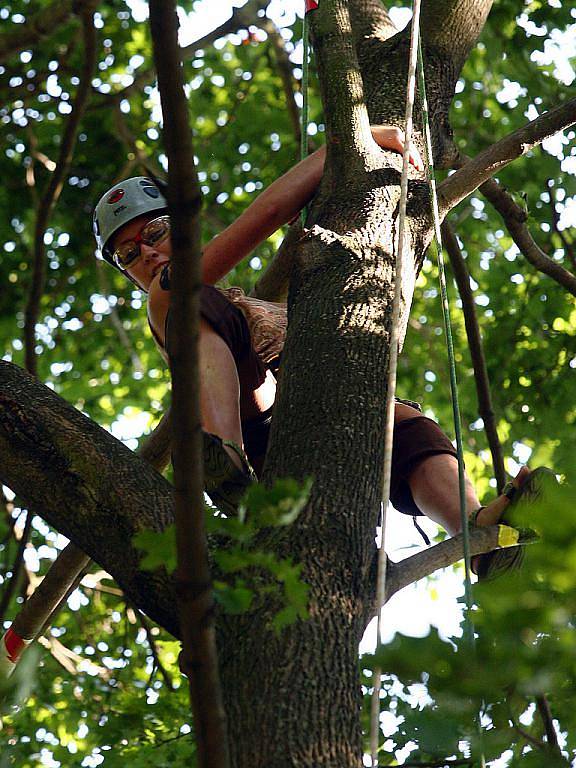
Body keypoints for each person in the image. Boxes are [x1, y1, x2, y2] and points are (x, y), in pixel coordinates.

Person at [93, 125, 539, 580]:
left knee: (410, 428)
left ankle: (476, 533)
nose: (146, 253)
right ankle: (225, 462)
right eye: (128, 254)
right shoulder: (168, 300)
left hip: (313, 409)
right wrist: (349, 144)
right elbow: (263, 216)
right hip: (257, 427)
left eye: (155, 231)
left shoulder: (250, 305)